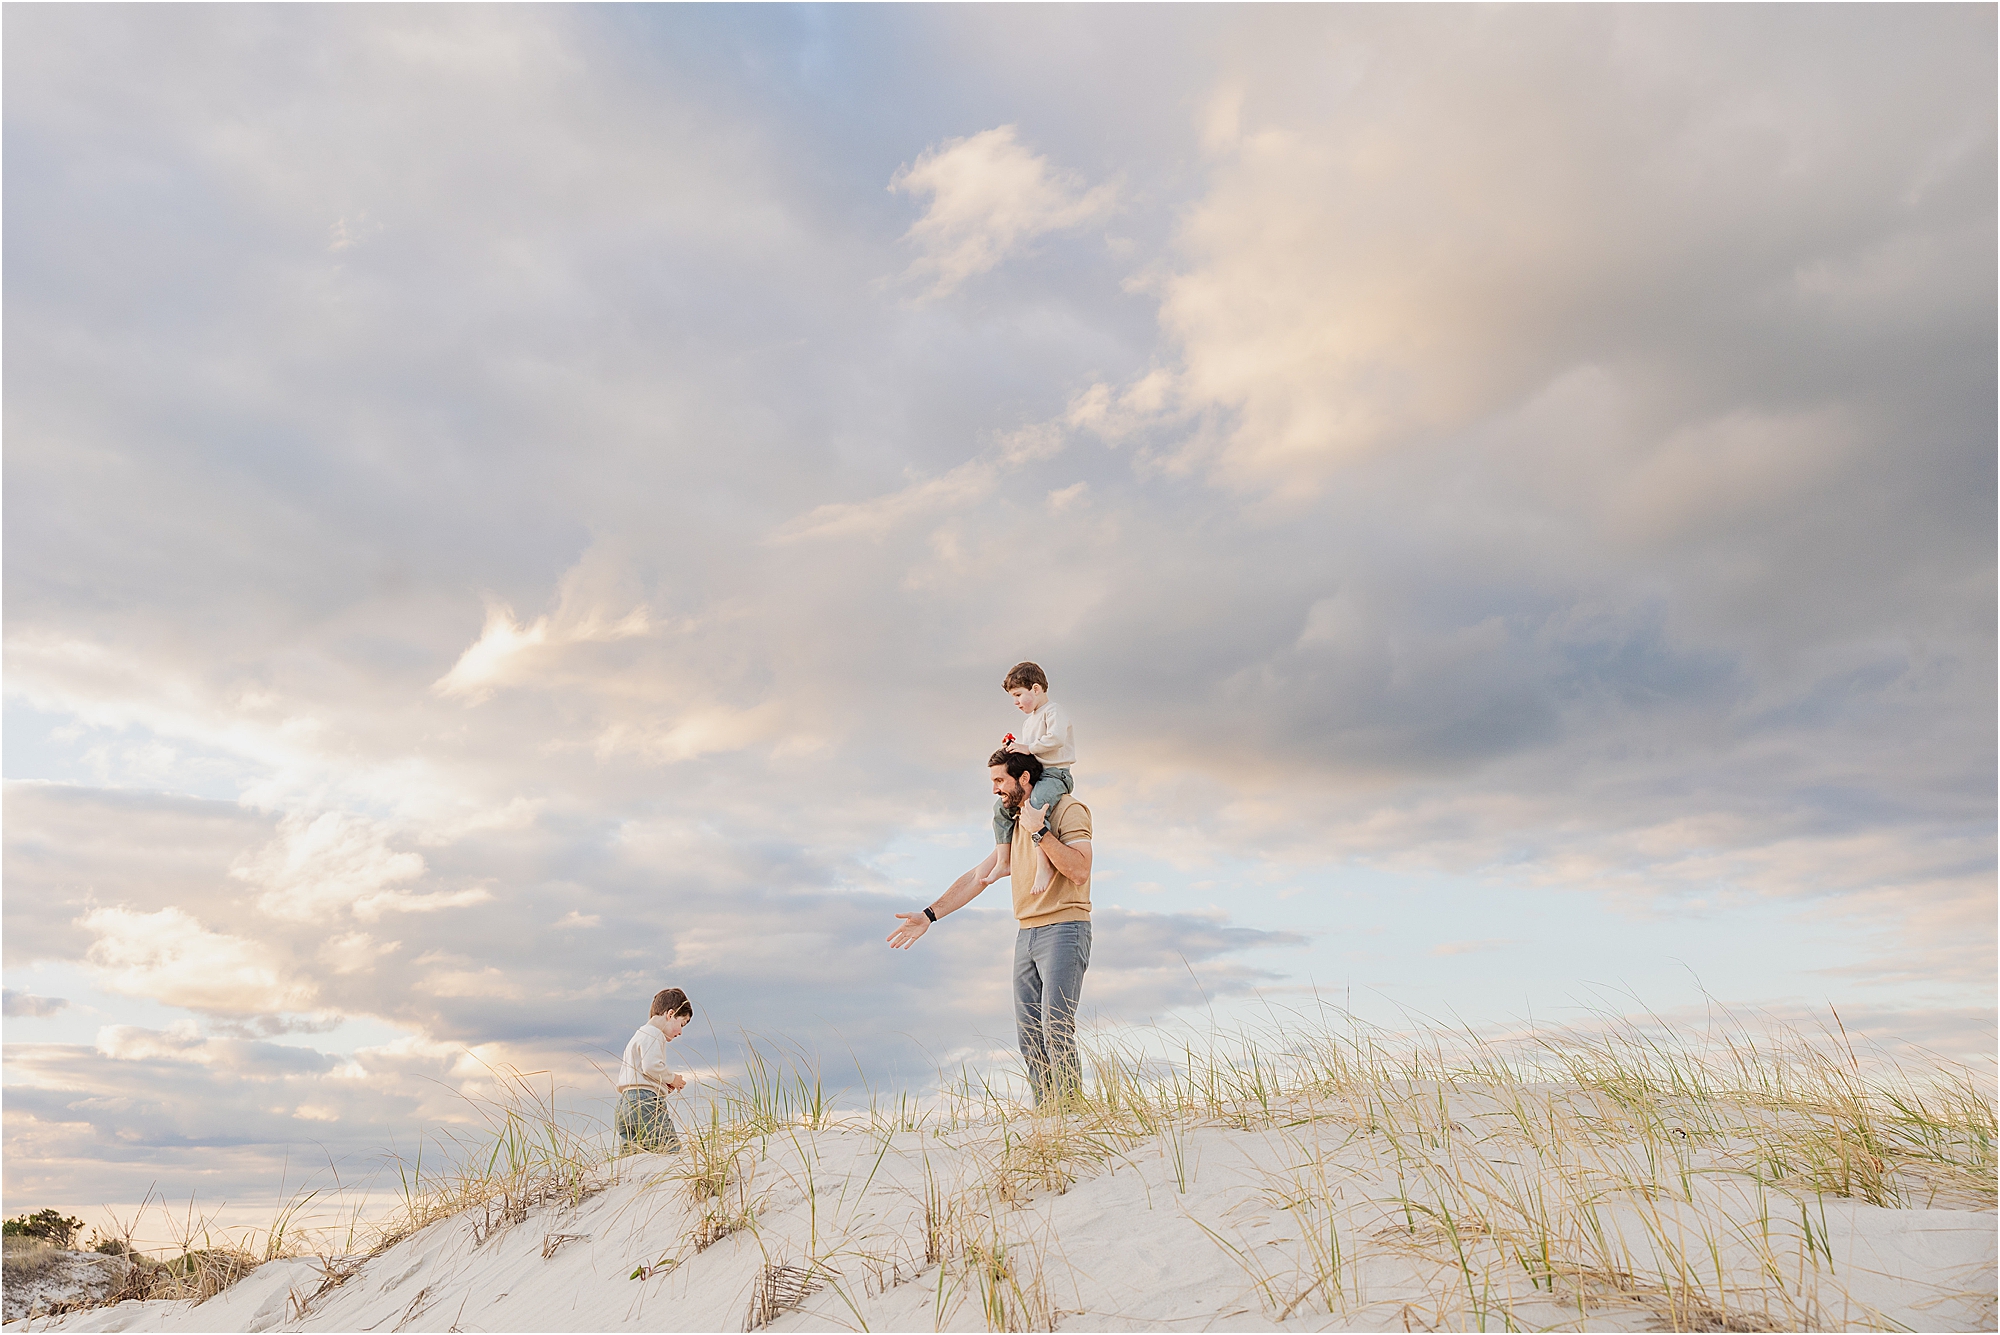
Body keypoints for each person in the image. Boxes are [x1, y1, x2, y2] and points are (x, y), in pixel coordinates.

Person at [887, 748, 1094, 1107]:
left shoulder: (1067, 809)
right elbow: (978, 877)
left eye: (1000, 781)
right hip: (1025, 932)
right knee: (1030, 1033)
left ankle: (1073, 1112)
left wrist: (1040, 831)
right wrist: (929, 915)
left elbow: (1079, 869)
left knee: (1056, 1027)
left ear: (1024, 778)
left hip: (1064, 926)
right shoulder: (1012, 822)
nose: (995, 789)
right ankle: (1048, 1113)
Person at [981, 662, 1076, 897]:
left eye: (1018, 695)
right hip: (1038, 773)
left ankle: (1044, 865)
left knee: (1035, 807)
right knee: (1000, 808)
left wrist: (1027, 747)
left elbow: (1056, 739)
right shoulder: (1029, 721)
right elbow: (1029, 753)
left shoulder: (1054, 711)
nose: (1015, 702)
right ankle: (1004, 862)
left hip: (1056, 774)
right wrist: (1014, 749)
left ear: (1035, 688)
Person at [615, 987, 691, 1154]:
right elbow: (651, 1066)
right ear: (670, 1015)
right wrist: (672, 1078)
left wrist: (661, 1083)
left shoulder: (639, 1035)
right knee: (670, 1148)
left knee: (633, 1155)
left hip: (625, 1104)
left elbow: (642, 1071)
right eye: (681, 1024)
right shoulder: (654, 1034)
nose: (680, 1032)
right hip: (645, 1101)